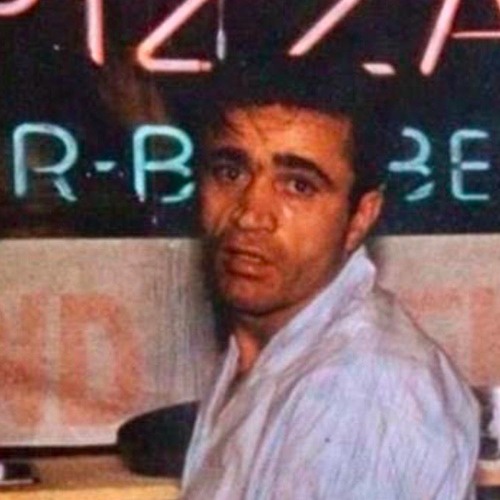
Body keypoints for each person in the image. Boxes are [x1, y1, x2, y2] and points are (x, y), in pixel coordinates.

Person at [181, 59, 479, 499]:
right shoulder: (270, 349)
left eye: (298, 186)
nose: (249, 214)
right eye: (230, 173)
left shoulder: (364, 388)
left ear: (360, 217)